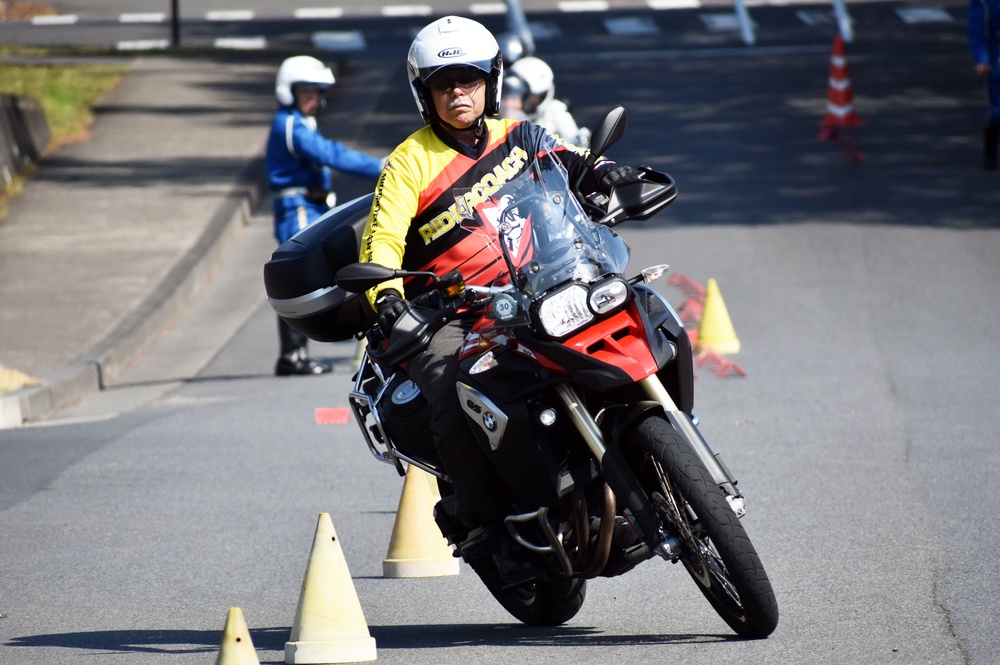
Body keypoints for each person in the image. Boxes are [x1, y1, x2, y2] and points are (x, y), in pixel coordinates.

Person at [358, 15, 639, 583]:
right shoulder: (408, 162)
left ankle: (648, 447)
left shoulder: (521, 135)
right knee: (448, 383)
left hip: (543, 283)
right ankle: (486, 523)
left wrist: (610, 172)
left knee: (633, 303)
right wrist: (387, 297)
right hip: (459, 310)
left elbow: (574, 162)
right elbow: (381, 239)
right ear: (425, 94)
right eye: (443, 83)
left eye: (468, 79)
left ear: (490, 80)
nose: (457, 93)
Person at [266, 55, 384, 376]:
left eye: (317, 92)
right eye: (306, 91)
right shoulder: (289, 125)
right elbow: (329, 154)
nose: (313, 98)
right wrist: (380, 166)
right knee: (300, 274)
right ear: (289, 91)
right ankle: (292, 356)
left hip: (314, 204)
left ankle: (297, 352)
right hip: (298, 207)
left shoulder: (301, 123)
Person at [502, 55, 590, 147]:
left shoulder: (554, 111)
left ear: (541, 97)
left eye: (526, 97)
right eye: (509, 94)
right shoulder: (493, 114)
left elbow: (577, 147)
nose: (511, 103)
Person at [968, 0, 1000, 169]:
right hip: (997, 51)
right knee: (997, 111)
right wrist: (981, 57)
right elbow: (977, 25)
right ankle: (991, 153)